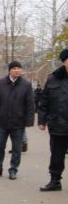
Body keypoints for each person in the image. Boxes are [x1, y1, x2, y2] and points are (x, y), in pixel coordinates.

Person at [0, 61, 35, 180]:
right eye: (14, 68)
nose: (17, 70)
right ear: (9, 70)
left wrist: (29, 120)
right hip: (2, 122)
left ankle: (13, 169)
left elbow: (30, 104)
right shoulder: (0, 83)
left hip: (18, 123)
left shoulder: (26, 85)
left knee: (17, 148)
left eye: (19, 68)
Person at [37, 49, 68, 191]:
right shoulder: (53, 78)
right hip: (57, 124)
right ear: (64, 61)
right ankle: (55, 181)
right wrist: (42, 120)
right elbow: (44, 101)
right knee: (56, 155)